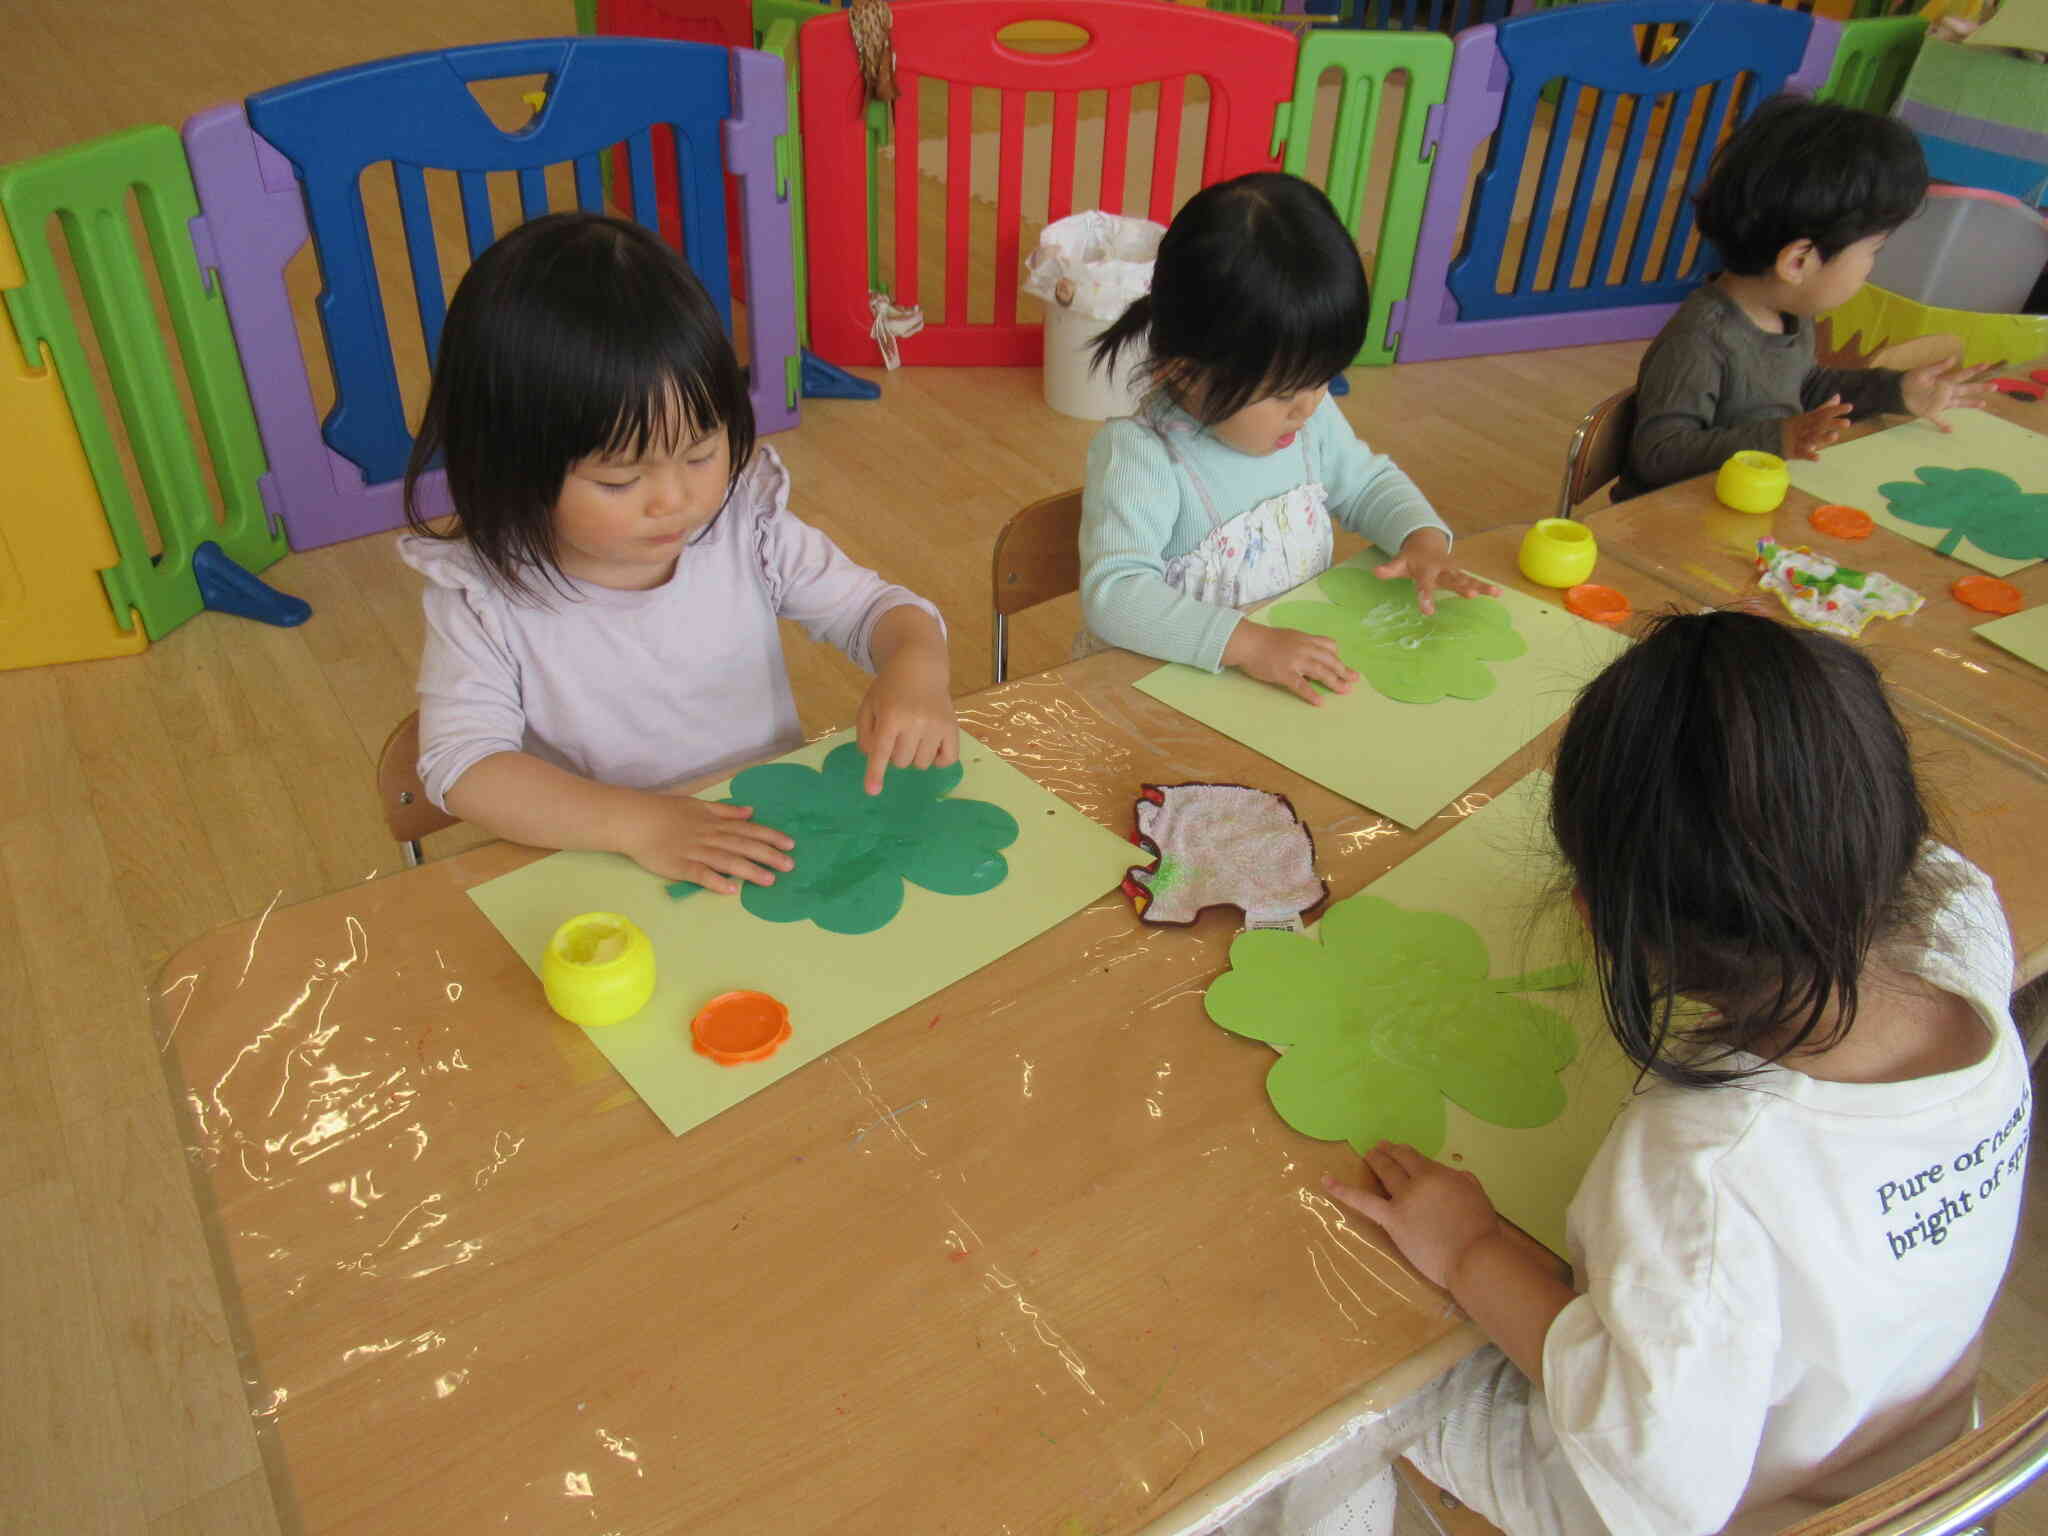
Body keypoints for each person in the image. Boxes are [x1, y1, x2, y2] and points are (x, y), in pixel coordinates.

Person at [1221, 612, 2030, 1536]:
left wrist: (1472, 1250)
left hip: (1748, 1504)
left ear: (1596, 915)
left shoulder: (1706, 1167)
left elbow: (1661, 1478)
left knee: (1338, 1386)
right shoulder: (1964, 929)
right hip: (1915, 1446)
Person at [399, 212, 956, 891]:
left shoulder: (743, 528)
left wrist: (916, 665)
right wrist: (641, 826)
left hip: (761, 842)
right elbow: (463, 766)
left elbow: (874, 610)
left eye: (699, 454)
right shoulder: (483, 597)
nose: (675, 500)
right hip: (607, 865)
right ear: (511, 464)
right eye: (619, 480)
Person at [1078, 172, 1493, 706]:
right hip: (1159, 694)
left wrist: (1422, 540)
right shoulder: (1143, 456)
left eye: (1323, 379)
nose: (1309, 406)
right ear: (1183, 371)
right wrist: (1249, 644)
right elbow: (1115, 596)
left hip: (1277, 687)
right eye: (1282, 392)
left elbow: (1366, 484)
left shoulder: (1306, 419)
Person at [1618, 97, 1988, 500]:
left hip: (1751, 498)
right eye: (1873, 251)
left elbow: (1806, 386)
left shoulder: (1787, 314)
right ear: (1798, 261)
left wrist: (1896, 391)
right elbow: (1659, 455)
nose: (1871, 267)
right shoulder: (1700, 339)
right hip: (1675, 516)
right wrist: (1780, 438)